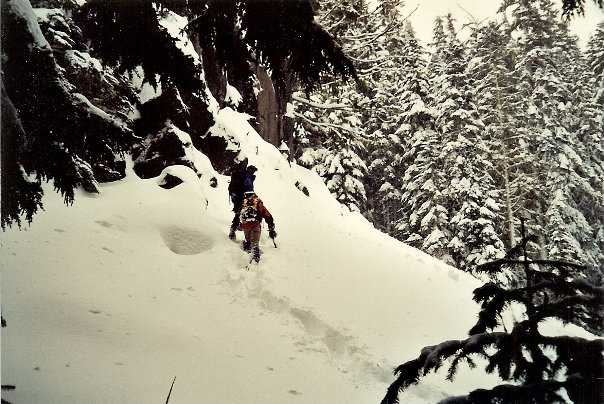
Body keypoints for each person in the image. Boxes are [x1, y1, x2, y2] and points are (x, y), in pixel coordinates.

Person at [239, 191, 276, 262]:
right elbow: (268, 216)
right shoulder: (258, 202)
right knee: (255, 242)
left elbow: (238, 214)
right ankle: (255, 256)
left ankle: (247, 249)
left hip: (245, 226)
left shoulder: (243, 202)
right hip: (255, 225)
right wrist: (271, 228)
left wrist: (237, 226)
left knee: (249, 240)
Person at [228, 165, 257, 240]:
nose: (254, 172)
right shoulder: (247, 176)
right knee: (244, 212)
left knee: (239, 212)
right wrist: (252, 196)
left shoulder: (242, 174)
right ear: (251, 170)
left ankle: (233, 230)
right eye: (253, 170)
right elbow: (248, 188)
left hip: (236, 196)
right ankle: (241, 231)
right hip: (242, 197)